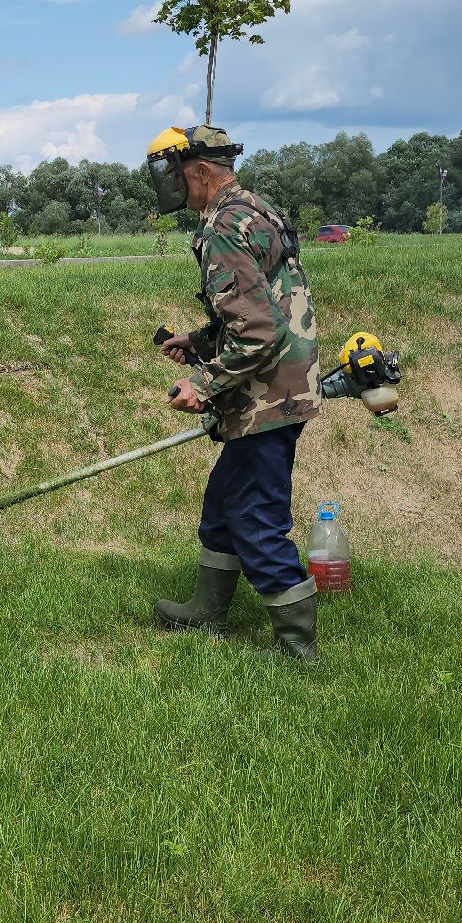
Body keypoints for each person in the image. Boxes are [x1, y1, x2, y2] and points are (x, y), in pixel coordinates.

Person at [143, 124, 324, 662]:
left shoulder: (224, 226)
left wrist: (202, 383)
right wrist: (198, 340)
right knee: (224, 500)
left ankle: (296, 646)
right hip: (281, 386)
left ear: (199, 170)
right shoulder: (254, 208)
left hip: (267, 398)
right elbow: (265, 307)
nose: (172, 184)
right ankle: (207, 610)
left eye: (176, 173)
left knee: (254, 514)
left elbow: (259, 332)